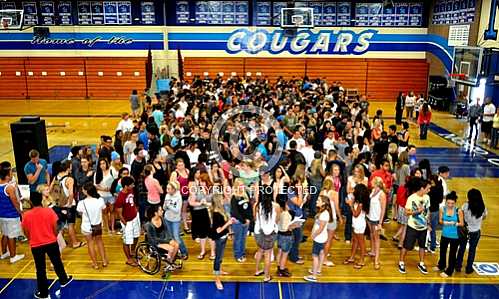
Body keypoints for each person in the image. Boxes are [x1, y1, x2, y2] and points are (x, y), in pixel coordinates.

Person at [21, 192, 73, 299]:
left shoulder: (26, 215)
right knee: (57, 262)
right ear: (41, 199)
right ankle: (63, 279)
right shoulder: (49, 211)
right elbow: (55, 226)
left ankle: (44, 293)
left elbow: (25, 231)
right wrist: (53, 236)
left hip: (36, 245)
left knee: (40, 269)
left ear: (30, 201)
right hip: (51, 242)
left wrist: (31, 238)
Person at [398, 177, 431, 275]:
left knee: (422, 246)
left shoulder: (427, 198)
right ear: (422, 188)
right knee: (406, 246)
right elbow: (406, 212)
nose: (429, 190)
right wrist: (417, 211)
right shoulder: (411, 198)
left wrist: (428, 223)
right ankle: (401, 262)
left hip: (423, 227)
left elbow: (427, 211)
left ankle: (421, 263)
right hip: (412, 227)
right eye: (427, 188)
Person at [51, 160, 85, 249]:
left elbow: (50, 190)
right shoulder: (69, 179)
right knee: (70, 224)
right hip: (68, 205)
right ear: (68, 168)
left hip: (58, 205)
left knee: (61, 226)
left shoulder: (56, 177)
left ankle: (60, 242)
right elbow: (71, 194)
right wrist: (69, 204)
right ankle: (74, 243)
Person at [76, 182, 108, 269]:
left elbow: (79, 213)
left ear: (86, 192)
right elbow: (104, 210)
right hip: (98, 225)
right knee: (100, 242)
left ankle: (95, 263)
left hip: (87, 227)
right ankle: (104, 261)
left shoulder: (82, 203)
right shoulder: (100, 200)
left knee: (90, 244)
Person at [456, 188, 487, 274]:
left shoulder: (465, 206)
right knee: (472, 250)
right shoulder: (482, 206)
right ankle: (469, 268)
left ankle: (458, 266)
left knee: (461, 248)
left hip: (465, 230)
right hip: (476, 231)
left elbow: (460, 216)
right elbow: (484, 216)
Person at [434, 191, 463, 277]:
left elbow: (462, 223)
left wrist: (455, 223)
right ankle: (441, 265)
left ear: (455, 203)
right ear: (445, 202)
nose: (450, 205)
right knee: (442, 251)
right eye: (448, 203)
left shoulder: (459, 211)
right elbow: (440, 221)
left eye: (452, 203)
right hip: (444, 234)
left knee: (452, 254)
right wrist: (444, 222)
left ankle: (449, 270)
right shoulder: (442, 209)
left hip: (455, 236)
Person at [253, 186, 279, 283]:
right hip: (270, 233)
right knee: (267, 254)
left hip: (258, 233)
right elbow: (277, 220)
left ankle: (257, 270)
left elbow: (255, 218)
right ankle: (266, 276)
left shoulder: (257, 205)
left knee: (260, 251)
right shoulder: (276, 206)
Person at [0, 162, 24, 263]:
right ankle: (13, 256)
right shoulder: (9, 188)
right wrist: (20, 212)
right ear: (7, 174)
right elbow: (15, 202)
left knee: (5, 234)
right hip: (11, 215)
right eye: (10, 172)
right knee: (12, 235)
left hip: (1, 214)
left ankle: (4, 252)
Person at [304, 195, 331, 282]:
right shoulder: (323, 212)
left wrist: (313, 235)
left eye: (318, 200)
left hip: (319, 238)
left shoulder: (324, 214)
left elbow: (321, 228)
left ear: (323, 203)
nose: (316, 201)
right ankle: (318, 269)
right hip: (322, 237)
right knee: (321, 252)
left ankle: (314, 276)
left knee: (315, 256)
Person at [210, 192, 234, 290]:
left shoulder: (221, 211)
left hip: (223, 237)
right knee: (218, 258)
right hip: (219, 238)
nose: (223, 200)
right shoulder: (216, 214)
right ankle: (217, 279)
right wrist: (228, 223)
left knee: (220, 256)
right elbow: (218, 230)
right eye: (222, 199)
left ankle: (219, 270)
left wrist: (228, 232)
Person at [115, 176, 140, 267]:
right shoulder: (120, 198)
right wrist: (125, 224)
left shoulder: (130, 191)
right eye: (131, 184)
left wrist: (136, 211)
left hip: (135, 217)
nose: (133, 186)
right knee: (127, 241)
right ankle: (129, 259)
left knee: (136, 236)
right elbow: (119, 214)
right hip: (127, 221)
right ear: (126, 186)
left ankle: (132, 251)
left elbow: (133, 201)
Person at [189, 173, 215, 260]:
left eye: (203, 181)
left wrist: (208, 204)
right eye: (200, 181)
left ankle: (213, 252)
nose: (201, 183)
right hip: (199, 213)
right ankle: (203, 251)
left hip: (209, 213)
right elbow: (191, 202)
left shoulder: (212, 189)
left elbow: (217, 202)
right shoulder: (195, 189)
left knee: (211, 233)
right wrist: (200, 203)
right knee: (201, 234)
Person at [344, 184, 369, 269]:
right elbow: (349, 196)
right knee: (354, 241)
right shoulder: (357, 200)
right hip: (356, 224)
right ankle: (352, 257)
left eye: (355, 190)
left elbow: (355, 214)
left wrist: (350, 205)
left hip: (359, 225)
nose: (353, 190)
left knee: (361, 243)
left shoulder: (360, 204)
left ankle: (362, 260)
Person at [163, 181, 188, 259]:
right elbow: (164, 208)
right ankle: (174, 251)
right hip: (167, 218)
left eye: (169, 188)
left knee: (176, 237)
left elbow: (177, 210)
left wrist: (168, 205)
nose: (167, 190)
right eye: (167, 188)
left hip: (175, 220)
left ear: (174, 189)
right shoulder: (167, 195)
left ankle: (184, 252)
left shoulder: (178, 197)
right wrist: (165, 206)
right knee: (170, 237)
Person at [366, 177, 386, 270]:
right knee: (371, 234)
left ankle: (377, 260)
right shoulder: (373, 190)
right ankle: (373, 251)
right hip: (370, 217)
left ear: (377, 183)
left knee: (377, 239)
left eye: (372, 181)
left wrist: (380, 223)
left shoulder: (382, 194)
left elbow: (383, 209)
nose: (371, 182)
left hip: (376, 219)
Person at [230, 178, 252, 262]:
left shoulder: (245, 194)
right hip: (238, 222)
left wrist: (249, 219)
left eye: (242, 185)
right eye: (240, 185)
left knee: (243, 238)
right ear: (236, 186)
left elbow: (249, 208)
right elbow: (235, 212)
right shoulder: (234, 197)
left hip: (246, 221)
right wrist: (243, 220)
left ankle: (242, 253)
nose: (242, 187)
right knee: (238, 239)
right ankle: (238, 255)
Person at [94, 158, 115, 234]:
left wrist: (111, 189)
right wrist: (103, 189)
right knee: (104, 212)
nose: (102, 165)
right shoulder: (97, 174)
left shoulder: (112, 171)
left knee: (112, 211)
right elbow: (95, 185)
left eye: (104, 163)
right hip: (102, 195)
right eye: (101, 164)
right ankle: (107, 228)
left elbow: (115, 181)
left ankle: (112, 228)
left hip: (110, 195)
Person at [428, 175, 444, 254]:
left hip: (429, 211)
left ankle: (427, 244)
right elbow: (441, 200)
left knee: (427, 228)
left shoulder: (430, 189)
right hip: (436, 210)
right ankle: (433, 246)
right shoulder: (440, 187)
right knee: (433, 230)